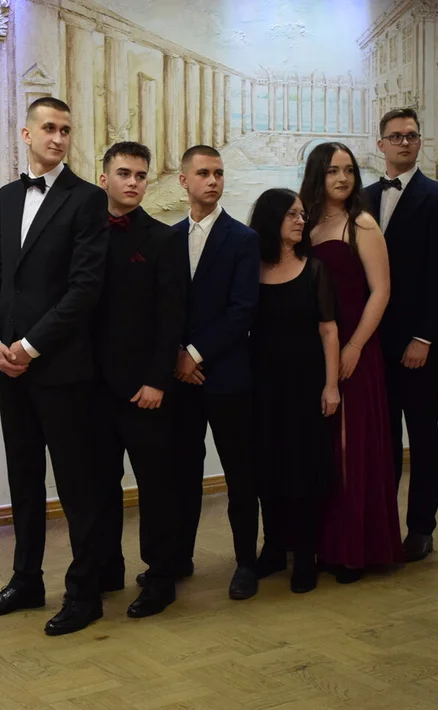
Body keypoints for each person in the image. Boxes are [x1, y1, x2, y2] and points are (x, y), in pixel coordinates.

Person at [0, 97, 110, 636]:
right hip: (8, 368)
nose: (58, 138)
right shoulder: (8, 197)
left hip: (61, 368)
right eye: (49, 128)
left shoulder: (88, 199)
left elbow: (85, 289)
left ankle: (85, 594)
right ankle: (26, 580)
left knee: (78, 486)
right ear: (27, 134)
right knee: (24, 479)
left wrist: (29, 347)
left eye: (66, 130)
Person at [299, 141, 403, 582]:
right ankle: (320, 544)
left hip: (354, 350)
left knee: (350, 449)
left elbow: (381, 291)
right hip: (313, 350)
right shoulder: (304, 222)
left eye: (348, 170)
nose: (342, 178)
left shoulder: (362, 223)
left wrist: (356, 346)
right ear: (316, 175)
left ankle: (354, 549)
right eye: (332, 171)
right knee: (319, 452)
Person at [93, 141, 186, 618]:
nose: (133, 182)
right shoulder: (83, 234)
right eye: (124, 173)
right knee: (99, 485)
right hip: (92, 387)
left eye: (141, 175)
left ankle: (162, 577)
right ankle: (107, 568)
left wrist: (157, 381)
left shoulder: (163, 239)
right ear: (104, 178)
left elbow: (172, 318)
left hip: (145, 389)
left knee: (156, 486)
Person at [166, 145, 261, 600]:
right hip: (180, 381)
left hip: (227, 376)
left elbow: (242, 310)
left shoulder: (243, 239)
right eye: (203, 173)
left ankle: (246, 564)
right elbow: (162, 307)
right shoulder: (168, 238)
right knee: (183, 474)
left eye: (219, 173)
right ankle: (179, 558)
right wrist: (176, 356)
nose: (213, 181)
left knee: (240, 474)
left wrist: (195, 354)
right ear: (184, 180)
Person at [364, 108, 438, 562]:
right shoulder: (363, 198)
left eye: (412, 135)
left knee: (422, 438)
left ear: (419, 142)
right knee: (381, 441)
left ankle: (422, 527)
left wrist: (423, 338)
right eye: (396, 136)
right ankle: (381, 526)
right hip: (372, 344)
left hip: (418, 343)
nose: (405, 142)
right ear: (380, 144)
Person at [248, 188, 339, 594]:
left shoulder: (314, 269)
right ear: (272, 220)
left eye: (302, 214)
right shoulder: (251, 269)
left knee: (304, 469)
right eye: (292, 215)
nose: (301, 221)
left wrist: (331, 385)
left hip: (306, 383)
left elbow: (328, 330)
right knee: (266, 466)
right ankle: (273, 547)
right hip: (262, 383)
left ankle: (305, 554)